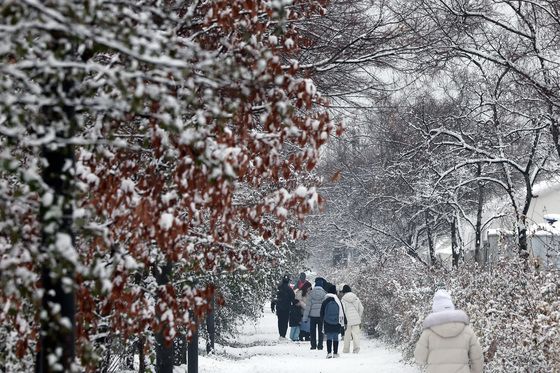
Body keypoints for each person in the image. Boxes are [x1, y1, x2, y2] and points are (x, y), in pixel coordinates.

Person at [414, 289, 484, 373]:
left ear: (435, 309)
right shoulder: (467, 330)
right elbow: (477, 359)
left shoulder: (428, 333)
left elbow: (419, 358)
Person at [320, 284, 344, 358]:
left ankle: (329, 353)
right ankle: (336, 353)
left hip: (327, 322)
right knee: (336, 337)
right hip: (337, 322)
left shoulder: (325, 301)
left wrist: (322, 321)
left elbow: (322, 313)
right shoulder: (338, 302)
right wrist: (343, 323)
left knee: (329, 337)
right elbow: (342, 312)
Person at [303, 277, 327, 350]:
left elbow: (308, 307)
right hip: (321, 316)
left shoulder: (311, 293)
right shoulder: (324, 294)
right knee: (321, 331)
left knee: (312, 331)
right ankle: (320, 345)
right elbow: (325, 306)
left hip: (312, 316)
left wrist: (305, 318)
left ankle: (313, 345)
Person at [340, 284, 364, 353]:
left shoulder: (343, 299)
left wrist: (343, 320)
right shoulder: (356, 298)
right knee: (356, 335)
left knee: (347, 336)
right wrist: (358, 316)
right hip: (356, 319)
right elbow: (361, 308)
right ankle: (356, 349)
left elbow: (343, 310)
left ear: (344, 291)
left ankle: (346, 350)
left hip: (347, 320)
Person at [271, 274, 295, 340]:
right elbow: (293, 298)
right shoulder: (289, 289)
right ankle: (283, 335)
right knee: (285, 322)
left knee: (280, 321)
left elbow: (274, 298)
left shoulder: (278, 288)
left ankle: (281, 334)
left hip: (279, 308)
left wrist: (272, 306)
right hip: (287, 308)